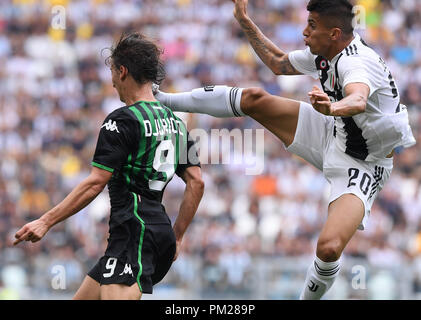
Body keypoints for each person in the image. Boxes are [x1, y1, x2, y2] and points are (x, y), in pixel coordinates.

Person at [153, 0, 416, 300]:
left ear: (333, 33)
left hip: (364, 163)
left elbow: (357, 99)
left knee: (329, 247)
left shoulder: (356, 62)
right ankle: (163, 100)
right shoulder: (326, 52)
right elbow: (278, 62)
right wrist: (244, 21)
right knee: (254, 98)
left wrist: (331, 107)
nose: (304, 32)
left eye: (312, 26)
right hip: (333, 132)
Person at [13, 32, 204, 300]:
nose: (112, 83)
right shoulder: (175, 122)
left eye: (113, 72)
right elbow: (197, 181)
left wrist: (46, 221)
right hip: (153, 234)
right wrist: (177, 236)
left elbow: (94, 183)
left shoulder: (123, 120)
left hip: (133, 231)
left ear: (123, 71)